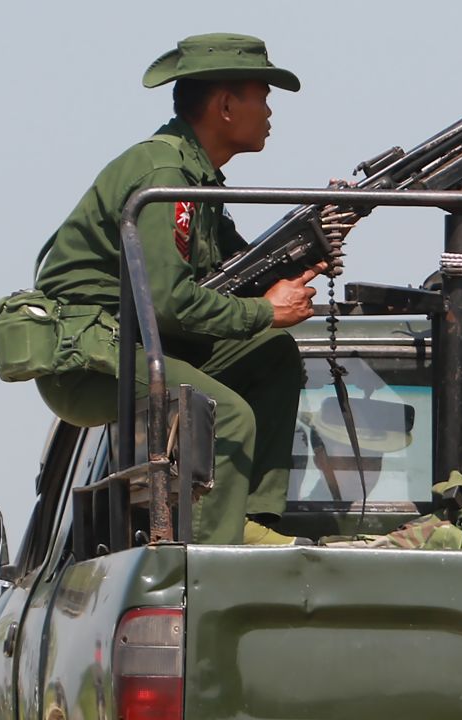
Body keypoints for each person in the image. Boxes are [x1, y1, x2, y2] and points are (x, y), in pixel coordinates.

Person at [34, 34, 332, 545]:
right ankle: (215, 559)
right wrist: (264, 311)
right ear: (224, 105)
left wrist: (306, 252)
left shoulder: (197, 180)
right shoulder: (167, 174)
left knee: (272, 355)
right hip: (90, 354)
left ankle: (249, 521)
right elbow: (168, 302)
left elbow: (233, 270)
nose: (269, 112)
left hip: (135, 339)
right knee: (226, 416)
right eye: (262, 95)